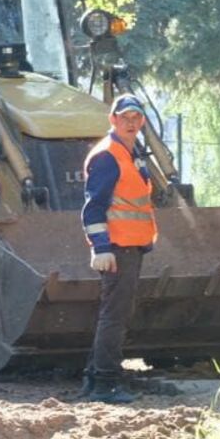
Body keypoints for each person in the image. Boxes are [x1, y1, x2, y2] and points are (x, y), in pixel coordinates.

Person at [79, 93, 158, 404]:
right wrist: (101, 247)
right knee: (115, 316)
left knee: (115, 313)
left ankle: (94, 377)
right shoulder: (108, 155)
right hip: (117, 248)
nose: (131, 122)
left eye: (136, 118)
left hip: (130, 247)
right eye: (125, 116)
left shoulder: (130, 152)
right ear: (112, 119)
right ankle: (106, 384)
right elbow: (92, 208)